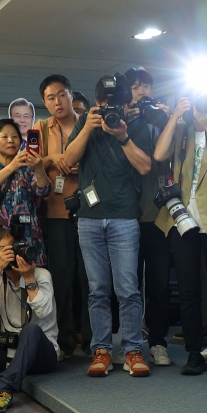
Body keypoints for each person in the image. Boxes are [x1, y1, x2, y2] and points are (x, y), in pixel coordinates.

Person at [64, 73, 152, 378]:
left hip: (124, 217)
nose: (110, 110)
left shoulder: (137, 126)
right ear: (97, 102)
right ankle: (101, 349)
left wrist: (122, 136)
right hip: (89, 218)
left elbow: (144, 166)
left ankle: (132, 350)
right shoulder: (86, 123)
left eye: (116, 104)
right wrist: (87, 129)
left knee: (128, 289)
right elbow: (67, 160)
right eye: (104, 104)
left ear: (128, 104)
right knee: (97, 289)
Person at [153, 95, 207, 376]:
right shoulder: (182, 132)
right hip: (183, 221)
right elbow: (158, 155)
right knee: (190, 292)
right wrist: (175, 115)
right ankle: (194, 353)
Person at [34, 74, 92, 360]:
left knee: (90, 277)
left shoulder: (89, 124)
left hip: (90, 210)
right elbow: (30, 162)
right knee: (63, 278)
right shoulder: (41, 129)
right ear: (44, 102)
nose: (57, 101)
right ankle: (65, 341)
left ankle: (93, 339)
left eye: (61, 95)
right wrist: (52, 159)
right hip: (56, 212)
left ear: (71, 95)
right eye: (50, 97)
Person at [0, 230, 59, 413]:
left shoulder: (41, 274)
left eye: (11, 247)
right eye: (2, 250)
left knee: (31, 329)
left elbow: (44, 312)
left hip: (42, 353)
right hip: (9, 349)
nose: (9, 253)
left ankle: (3, 388)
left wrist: (29, 278)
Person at [124, 66, 173, 366]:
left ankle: (158, 341)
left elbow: (167, 159)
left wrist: (168, 121)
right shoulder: (117, 121)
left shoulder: (160, 121)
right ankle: (130, 344)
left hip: (156, 214)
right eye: (136, 87)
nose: (142, 92)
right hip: (125, 213)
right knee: (128, 285)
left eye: (147, 87)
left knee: (159, 284)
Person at [0, 119, 51, 268]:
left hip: (29, 239)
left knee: (31, 285)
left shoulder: (28, 169)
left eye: (15, 136)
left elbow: (43, 191)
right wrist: (12, 166)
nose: (10, 140)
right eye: (4, 136)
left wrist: (39, 168)